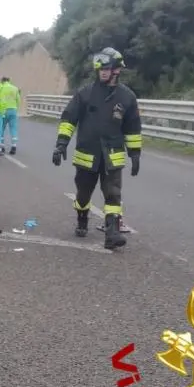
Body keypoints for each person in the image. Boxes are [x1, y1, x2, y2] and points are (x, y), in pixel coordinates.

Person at [51, 47, 142, 250]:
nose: (102, 72)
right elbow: (69, 120)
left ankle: (112, 233)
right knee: (83, 195)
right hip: (87, 155)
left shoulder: (127, 98)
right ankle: (82, 217)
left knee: (113, 194)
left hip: (112, 157)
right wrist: (61, 144)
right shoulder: (85, 94)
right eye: (100, 69)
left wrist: (135, 154)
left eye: (107, 69)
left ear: (117, 70)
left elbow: (133, 128)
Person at [0, 76, 21, 155]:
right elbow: (18, 100)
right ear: (9, 81)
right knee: (13, 128)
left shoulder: (1, 88)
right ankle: (14, 146)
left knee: (1, 128)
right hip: (13, 110)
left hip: (4, 111)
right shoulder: (15, 88)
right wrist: (15, 108)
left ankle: (2, 147)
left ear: (2, 81)